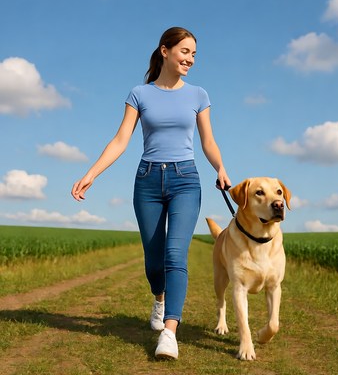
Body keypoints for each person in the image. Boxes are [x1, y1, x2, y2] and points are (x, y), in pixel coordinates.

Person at [71, 27, 231, 359]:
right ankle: (159, 299)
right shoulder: (139, 94)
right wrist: (91, 174)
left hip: (185, 178)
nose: (190, 59)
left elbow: (208, 141)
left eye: (194, 54)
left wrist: (220, 167)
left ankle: (170, 333)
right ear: (165, 51)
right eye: (185, 52)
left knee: (176, 255)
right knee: (154, 257)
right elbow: (120, 140)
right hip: (147, 180)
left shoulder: (199, 95)